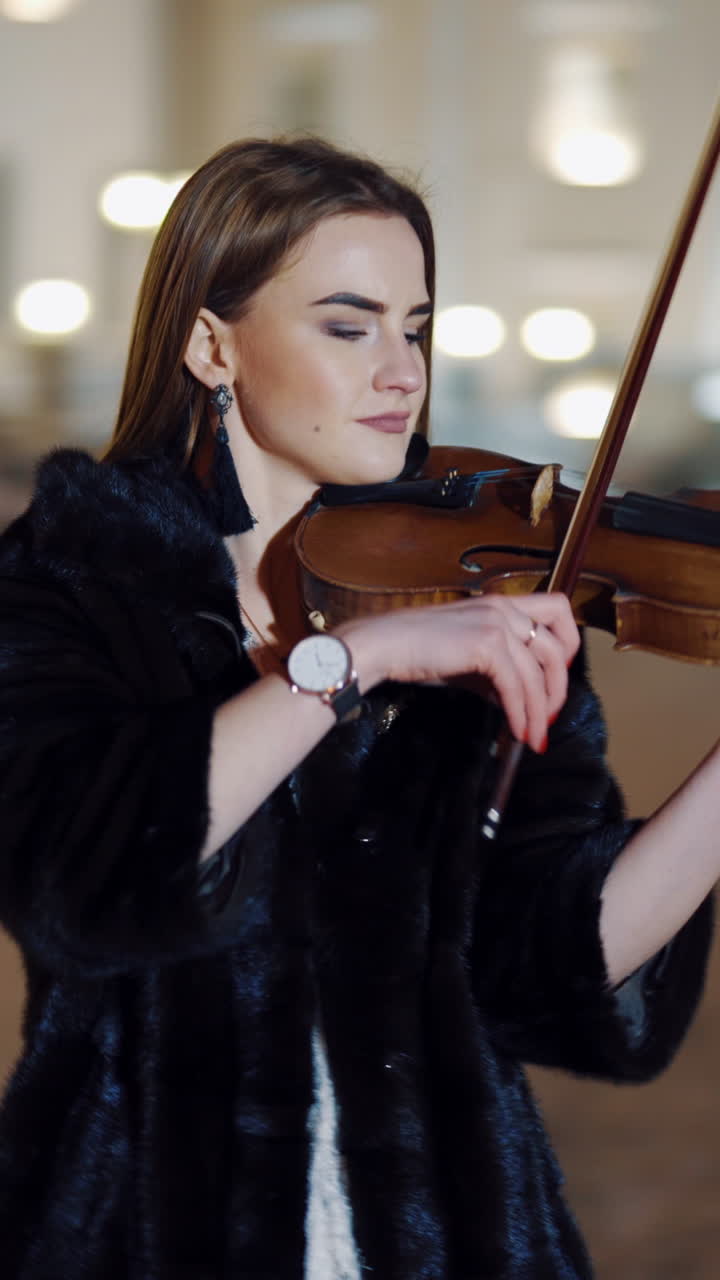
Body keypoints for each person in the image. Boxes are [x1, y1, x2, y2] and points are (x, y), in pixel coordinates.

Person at [0, 135, 715, 1280]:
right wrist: (355, 659)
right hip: (143, 1221)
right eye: (349, 325)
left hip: (454, 1233)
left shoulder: (484, 582)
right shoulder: (77, 577)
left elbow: (549, 971)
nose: (402, 371)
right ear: (211, 342)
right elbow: (81, 881)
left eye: (415, 326)